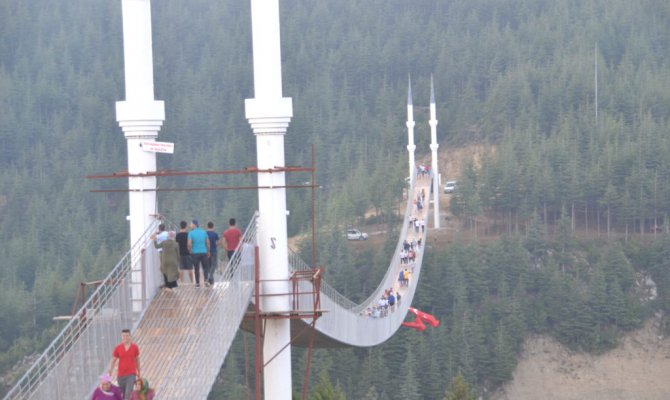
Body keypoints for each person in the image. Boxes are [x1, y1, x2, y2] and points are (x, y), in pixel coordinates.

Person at [108, 329, 140, 399]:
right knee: (123, 394)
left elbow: (137, 360)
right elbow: (113, 360)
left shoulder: (135, 347)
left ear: (130, 336)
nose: (125, 337)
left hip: (131, 374)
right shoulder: (118, 348)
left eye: (127, 335)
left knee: (128, 393)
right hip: (121, 375)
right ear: (121, 337)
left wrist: (139, 371)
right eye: (124, 336)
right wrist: (110, 370)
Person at [188, 219, 210, 287]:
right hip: (203, 252)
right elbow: (208, 243)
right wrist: (208, 251)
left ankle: (197, 283)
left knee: (196, 268)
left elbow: (189, 244)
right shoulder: (204, 232)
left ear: (194, 225)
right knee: (205, 268)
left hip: (195, 253)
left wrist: (190, 250)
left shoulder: (191, 233)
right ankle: (206, 281)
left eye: (191, 224)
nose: (190, 225)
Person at [175, 220, 195, 285]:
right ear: (186, 226)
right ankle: (192, 282)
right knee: (190, 268)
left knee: (181, 268)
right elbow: (190, 244)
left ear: (180, 226)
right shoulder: (188, 234)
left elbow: (177, 245)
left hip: (180, 253)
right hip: (188, 253)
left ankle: (181, 282)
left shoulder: (177, 235)